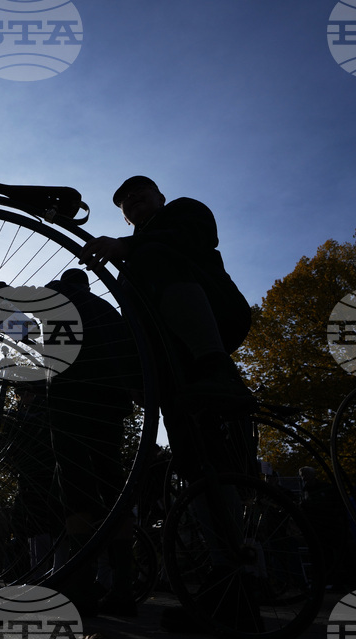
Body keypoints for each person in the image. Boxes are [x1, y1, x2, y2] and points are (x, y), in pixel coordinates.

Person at [0, 268, 140, 616]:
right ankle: (123, 586)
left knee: (76, 492)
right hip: (110, 405)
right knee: (112, 487)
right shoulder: (109, 312)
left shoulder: (63, 297)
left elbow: (32, 331)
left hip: (70, 402)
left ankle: (81, 585)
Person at [80, 176, 255, 475]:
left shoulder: (182, 211)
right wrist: (137, 376)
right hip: (170, 361)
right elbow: (132, 319)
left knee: (151, 252)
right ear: (124, 217)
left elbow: (194, 236)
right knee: (191, 453)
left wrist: (127, 245)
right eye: (125, 199)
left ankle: (219, 369)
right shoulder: (129, 264)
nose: (132, 196)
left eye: (140, 189)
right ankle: (212, 508)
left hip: (216, 311)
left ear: (160, 197)